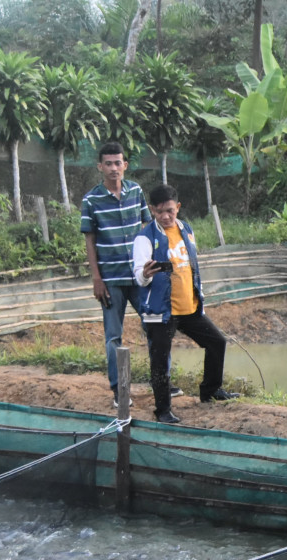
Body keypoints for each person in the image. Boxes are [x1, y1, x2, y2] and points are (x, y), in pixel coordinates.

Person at [132, 184, 238, 424]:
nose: (166, 216)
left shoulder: (186, 230)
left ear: (177, 207)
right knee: (160, 360)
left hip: (189, 306)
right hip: (161, 311)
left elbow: (192, 267)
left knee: (217, 342)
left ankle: (210, 390)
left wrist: (199, 297)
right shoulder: (144, 238)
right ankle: (163, 410)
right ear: (151, 210)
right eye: (159, 212)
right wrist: (146, 273)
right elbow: (139, 276)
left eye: (170, 210)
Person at [82, 141, 169, 408]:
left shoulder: (136, 191)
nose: (113, 168)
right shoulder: (91, 200)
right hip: (110, 279)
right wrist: (96, 278)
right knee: (113, 336)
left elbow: (148, 228)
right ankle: (120, 391)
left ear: (125, 165)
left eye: (118, 163)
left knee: (155, 326)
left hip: (139, 276)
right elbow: (90, 241)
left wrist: (155, 266)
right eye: (108, 163)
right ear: (100, 166)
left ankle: (162, 382)